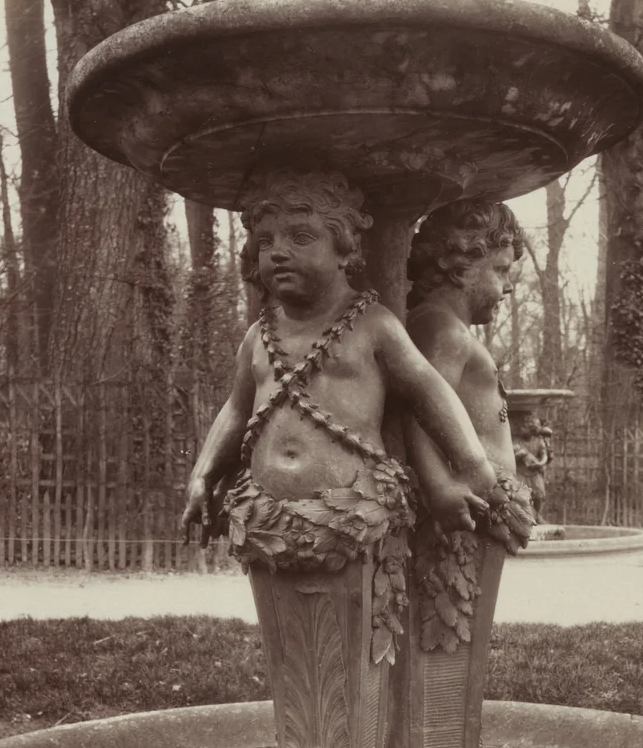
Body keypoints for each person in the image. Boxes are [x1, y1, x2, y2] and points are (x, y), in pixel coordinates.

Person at [180, 168, 499, 662]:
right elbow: (236, 409)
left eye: (300, 237)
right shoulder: (258, 337)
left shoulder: (373, 325)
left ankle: (352, 740)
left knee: (351, 657)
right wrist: (203, 475)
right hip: (267, 521)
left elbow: (426, 389)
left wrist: (472, 465)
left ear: (345, 249)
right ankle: (309, 740)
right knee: (294, 656)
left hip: (354, 519)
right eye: (265, 242)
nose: (278, 251)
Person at [404, 196, 536, 554]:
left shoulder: (448, 329)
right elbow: (419, 409)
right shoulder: (440, 329)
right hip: (461, 516)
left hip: (478, 513)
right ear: (461, 268)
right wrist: (441, 486)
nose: (508, 286)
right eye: (502, 270)